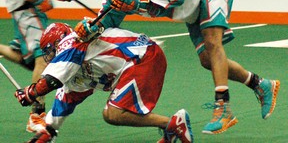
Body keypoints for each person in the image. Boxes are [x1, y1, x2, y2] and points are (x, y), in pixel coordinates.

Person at [74, 0, 281, 134]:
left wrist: (138, 0)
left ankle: (223, 107)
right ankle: (260, 84)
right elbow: (108, 15)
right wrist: (92, 27)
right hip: (189, 7)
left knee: (212, 42)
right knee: (207, 59)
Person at [14, 22, 194, 143]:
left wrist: (31, 92)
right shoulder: (73, 68)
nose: (51, 57)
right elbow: (65, 101)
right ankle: (171, 127)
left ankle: (173, 123)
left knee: (113, 114)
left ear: (58, 43)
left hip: (141, 57)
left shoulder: (71, 42)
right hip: (140, 59)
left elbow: (52, 81)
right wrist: (47, 132)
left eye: (51, 51)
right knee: (113, 114)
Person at [0, 0, 74, 133]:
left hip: (32, 3)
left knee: (27, 57)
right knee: (42, 58)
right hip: (25, 4)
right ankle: (36, 116)